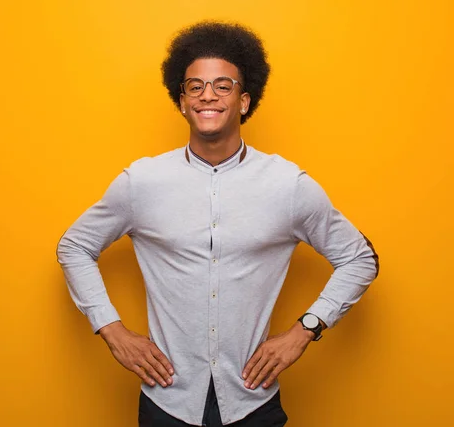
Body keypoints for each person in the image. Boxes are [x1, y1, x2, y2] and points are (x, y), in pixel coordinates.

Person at [57, 21, 379, 427]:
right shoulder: (141, 182)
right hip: (166, 403)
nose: (208, 95)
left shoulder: (288, 185)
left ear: (244, 101)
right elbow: (75, 246)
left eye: (222, 86)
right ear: (182, 101)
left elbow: (359, 259)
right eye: (195, 87)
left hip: (253, 403)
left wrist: (305, 330)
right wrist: (111, 328)